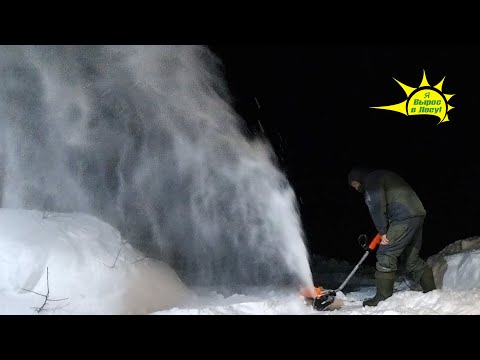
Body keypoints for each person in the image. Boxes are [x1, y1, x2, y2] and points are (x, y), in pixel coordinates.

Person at [347, 166, 436, 307]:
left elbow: (376, 206)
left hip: (403, 217)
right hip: (417, 214)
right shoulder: (382, 175)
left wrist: (383, 232)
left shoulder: (371, 181)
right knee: (411, 259)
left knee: (385, 254)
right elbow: (393, 200)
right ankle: (432, 293)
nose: (356, 188)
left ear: (358, 178)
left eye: (354, 184)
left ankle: (382, 299)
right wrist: (387, 226)